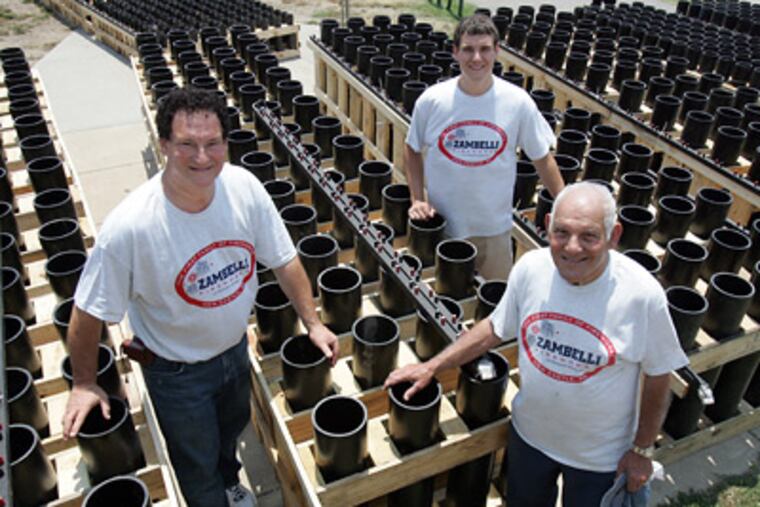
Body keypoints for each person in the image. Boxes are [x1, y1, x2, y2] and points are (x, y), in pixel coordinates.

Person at [61, 88, 339, 507]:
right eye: (187, 145)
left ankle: (230, 483)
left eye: (212, 143)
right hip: (177, 374)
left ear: (226, 143)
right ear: (164, 146)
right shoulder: (131, 228)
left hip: (233, 354)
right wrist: (84, 383)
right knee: (196, 461)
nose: (202, 157)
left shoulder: (243, 188)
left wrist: (314, 323)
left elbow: (284, 260)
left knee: (230, 434)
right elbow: (88, 310)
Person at [385, 182, 689, 506]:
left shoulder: (641, 296)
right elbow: (494, 327)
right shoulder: (532, 269)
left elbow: (659, 375)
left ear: (614, 236)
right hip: (530, 440)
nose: (572, 248)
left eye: (589, 236)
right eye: (561, 232)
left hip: (599, 461)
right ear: (546, 228)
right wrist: (432, 366)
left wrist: (642, 450)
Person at [404, 14, 565, 280]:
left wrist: (564, 208)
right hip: (441, 229)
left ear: (497, 51)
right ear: (455, 52)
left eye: (484, 49)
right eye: (468, 49)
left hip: (494, 232)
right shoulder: (432, 101)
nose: (476, 58)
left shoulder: (517, 103)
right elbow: (412, 148)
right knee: (440, 306)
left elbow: (542, 159)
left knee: (495, 306)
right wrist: (417, 198)